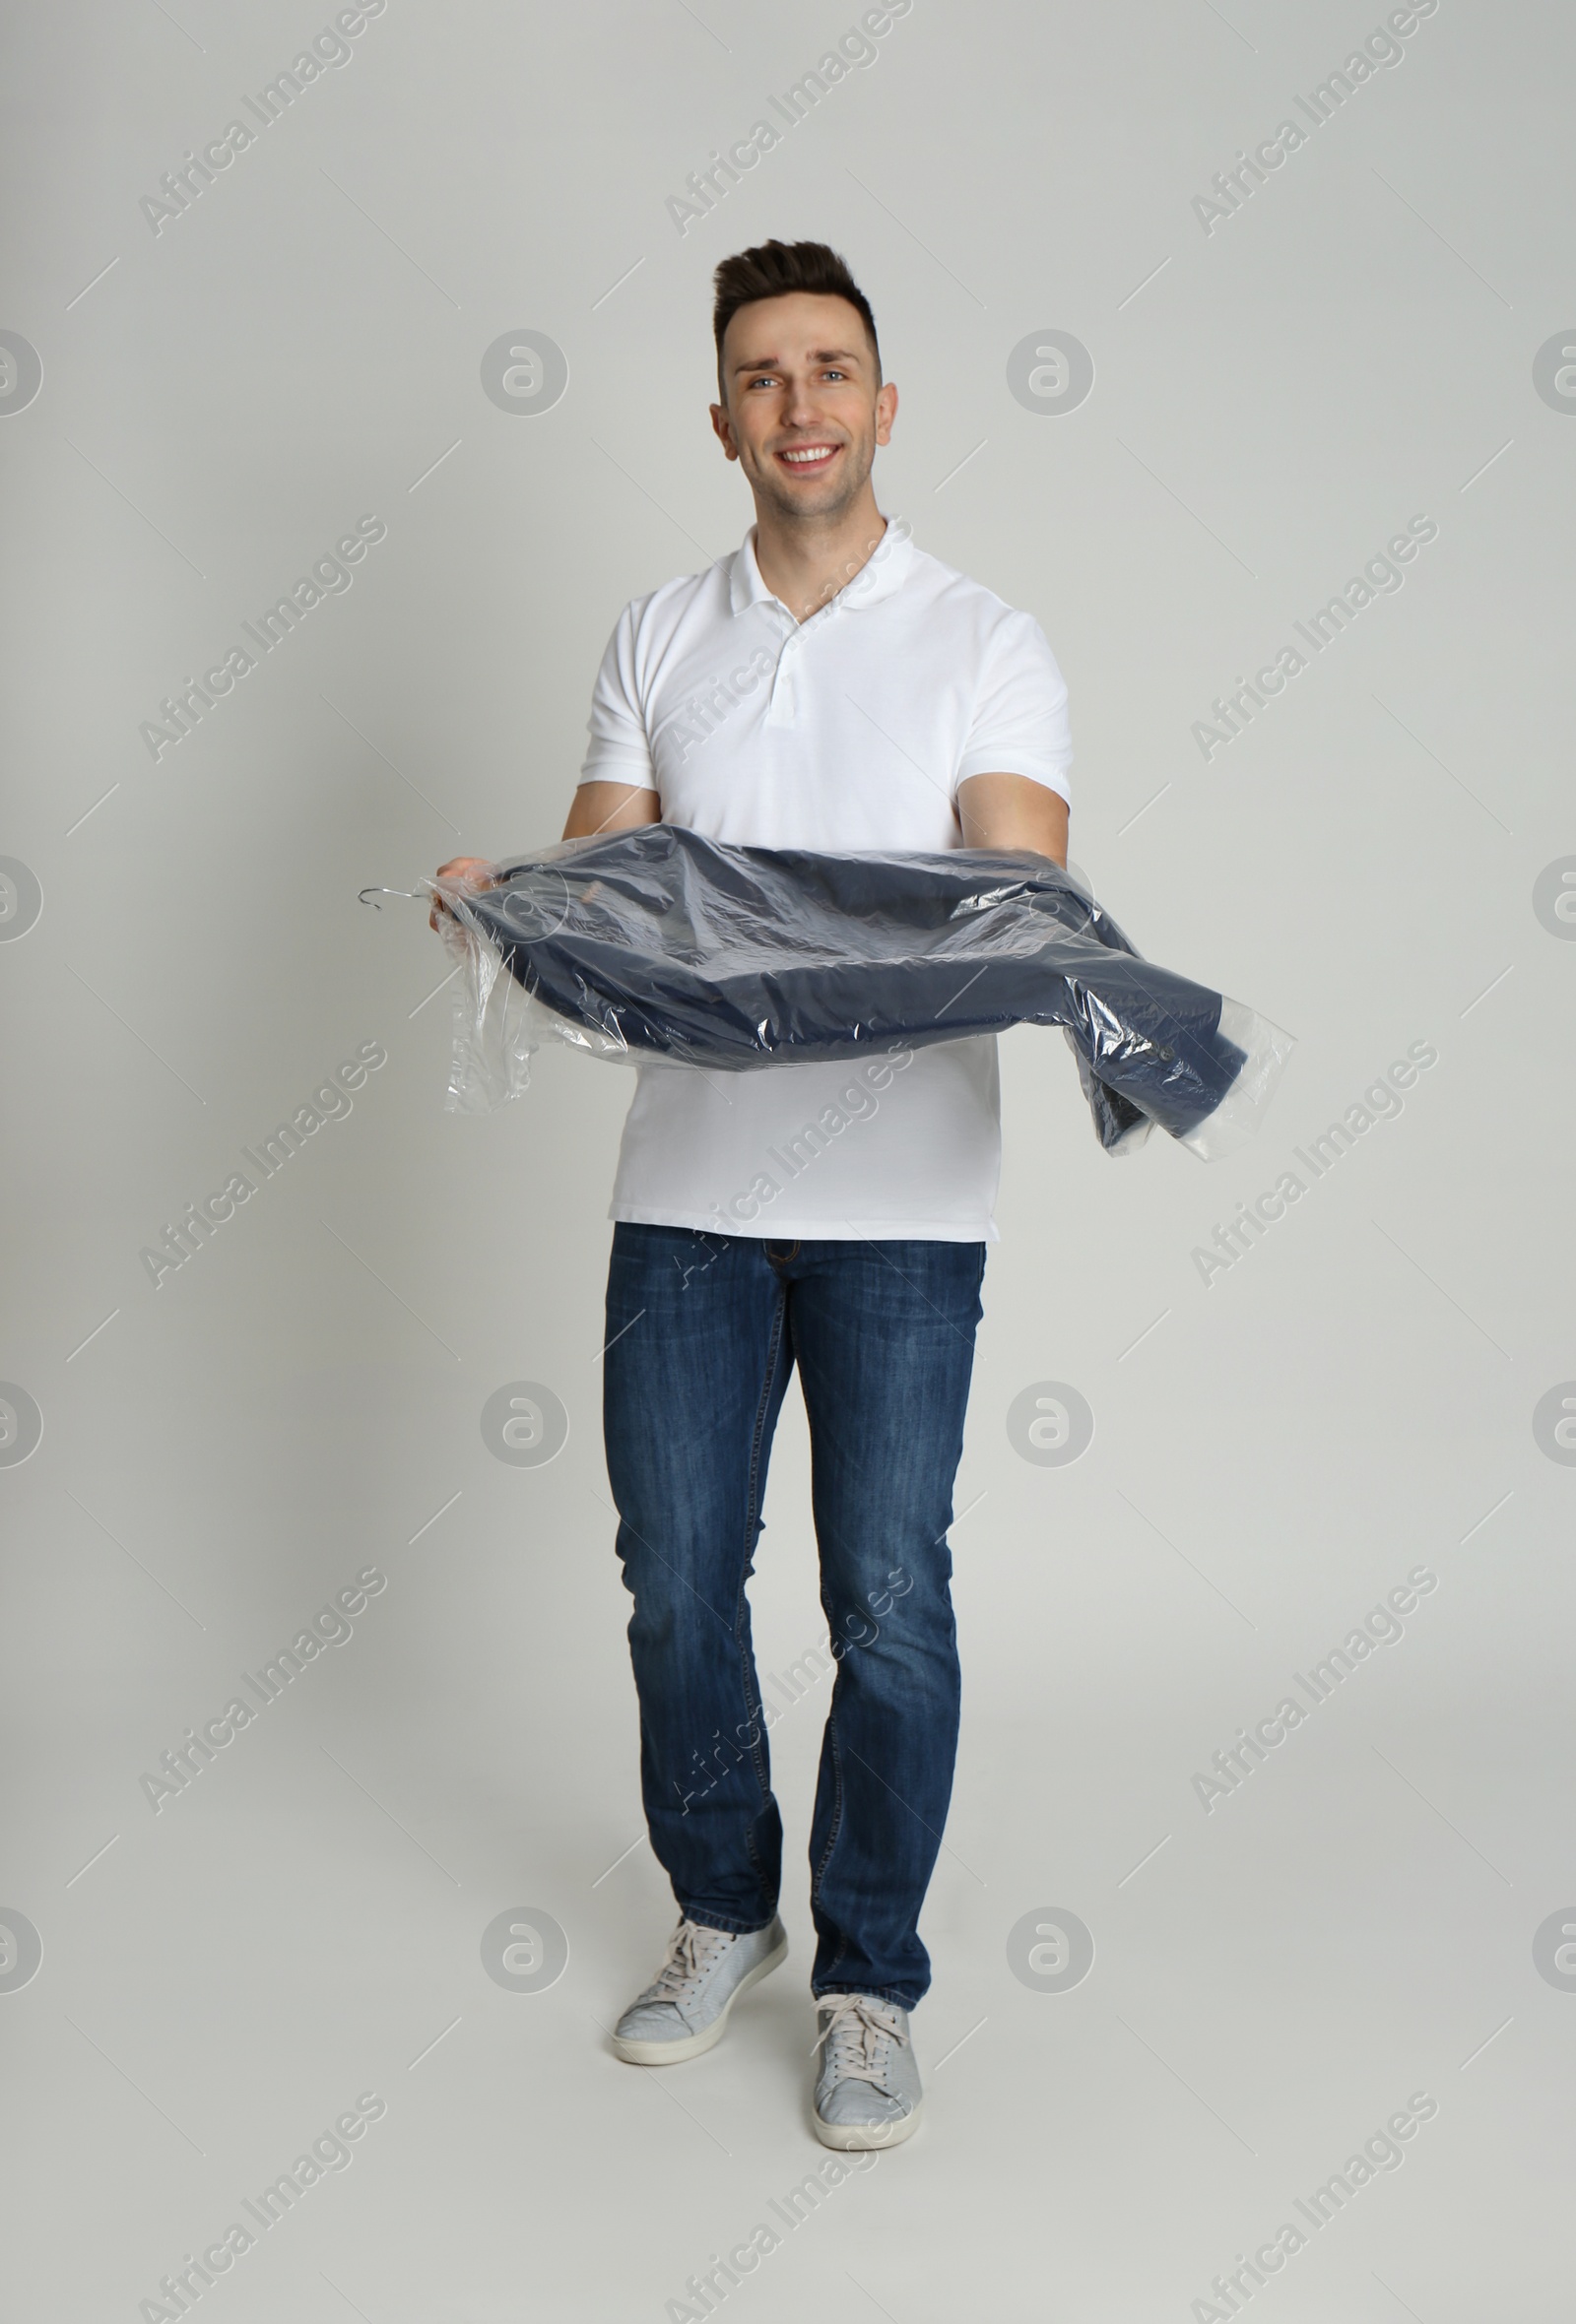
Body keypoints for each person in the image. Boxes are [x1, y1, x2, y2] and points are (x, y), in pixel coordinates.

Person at [434, 238, 1073, 2148]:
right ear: (722, 418)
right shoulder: (659, 632)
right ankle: (723, 1908)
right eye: (764, 375)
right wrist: (508, 905)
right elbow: (608, 894)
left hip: (905, 1204)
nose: (800, 402)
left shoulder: (984, 639)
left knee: (885, 1598)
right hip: (689, 1192)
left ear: (882, 403)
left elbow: (1013, 895)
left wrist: (768, 921)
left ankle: (867, 1974)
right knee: (672, 1587)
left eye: (832, 367)